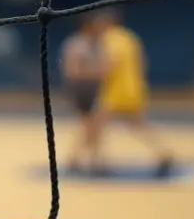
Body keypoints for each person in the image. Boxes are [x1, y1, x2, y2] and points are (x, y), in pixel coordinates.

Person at [91, 10, 175, 177]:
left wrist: (94, 72)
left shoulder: (109, 39)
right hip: (134, 88)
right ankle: (164, 154)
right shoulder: (130, 38)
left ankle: (100, 163)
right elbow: (143, 62)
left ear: (108, 24)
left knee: (97, 124)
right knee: (138, 125)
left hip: (116, 90)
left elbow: (110, 65)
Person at [61, 18, 104, 173]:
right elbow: (73, 70)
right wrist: (99, 71)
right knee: (90, 125)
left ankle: (86, 158)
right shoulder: (77, 44)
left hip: (93, 87)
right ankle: (88, 159)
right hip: (82, 88)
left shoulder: (97, 43)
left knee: (94, 125)